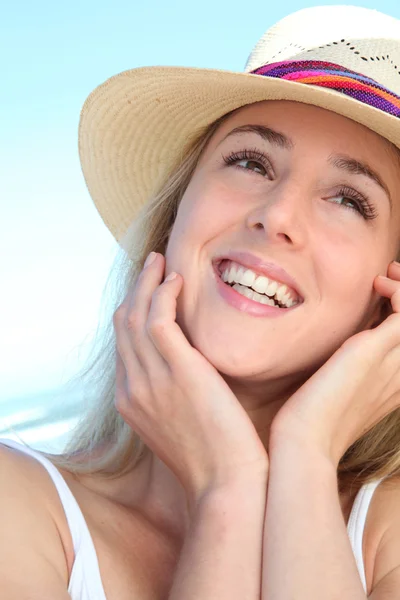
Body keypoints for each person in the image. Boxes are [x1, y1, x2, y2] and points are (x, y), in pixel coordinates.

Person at [3, 4, 400, 598]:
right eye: (249, 161)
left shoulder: (387, 534)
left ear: (388, 299)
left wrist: (307, 455)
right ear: (173, 221)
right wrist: (228, 487)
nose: (277, 215)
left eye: (349, 199)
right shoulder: (17, 503)